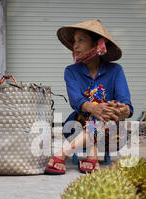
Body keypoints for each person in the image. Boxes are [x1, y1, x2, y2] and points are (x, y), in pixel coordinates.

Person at [44, 19, 134, 175]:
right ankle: (91, 154)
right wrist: (94, 108)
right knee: (98, 113)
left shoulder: (115, 70)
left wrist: (122, 110)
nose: (75, 46)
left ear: (96, 44)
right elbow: (76, 100)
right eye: (74, 41)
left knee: (103, 112)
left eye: (81, 40)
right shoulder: (71, 71)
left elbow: (126, 104)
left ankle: (62, 154)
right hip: (76, 128)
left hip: (112, 134)